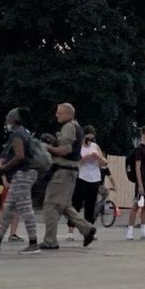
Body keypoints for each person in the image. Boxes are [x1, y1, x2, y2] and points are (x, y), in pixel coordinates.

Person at [0, 108, 41, 254]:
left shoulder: (17, 134)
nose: (6, 121)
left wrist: (3, 168)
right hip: (25, 173)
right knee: (9, 207)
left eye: (8, 118)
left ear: (13, 119)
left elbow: (19, 156)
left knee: (25, 207)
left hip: (22, 174)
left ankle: (33, 243)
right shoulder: (25, 133)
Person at [40, 103, 96, 249]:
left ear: (68, 114)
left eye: (59, 113)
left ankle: (50, 241)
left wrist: (48, 147)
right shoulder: (76, 127)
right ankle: (87, 229)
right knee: (64, 205)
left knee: (51, 205)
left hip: (62, 171)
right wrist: (55, 142)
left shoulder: (68, 127)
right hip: (69, 171)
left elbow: (65, 150)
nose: (56, 115)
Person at [66, 126, 108, 240]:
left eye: (92, 138)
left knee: (90, 206)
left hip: (94, 178)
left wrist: (99, 158)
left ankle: (89, 231)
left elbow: (104, 163)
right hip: (81, 177)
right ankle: (70, 231)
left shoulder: (95, 146)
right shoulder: (79, 147)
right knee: (76, 204)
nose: (90, 141)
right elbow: (76, 162)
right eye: (88, 138)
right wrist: (87, 157)